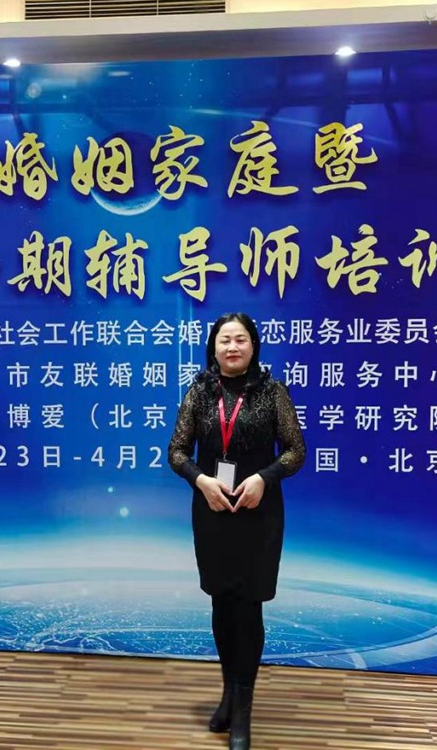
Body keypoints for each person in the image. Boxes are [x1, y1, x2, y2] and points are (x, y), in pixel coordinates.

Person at [167, 312, 306, 750]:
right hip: (213, 510)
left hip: (258, 512)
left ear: (253, 346)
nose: (232, 347)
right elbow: (176, 451)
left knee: (248, 606)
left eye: (240, 339)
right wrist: (200, 480)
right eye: (225, 339)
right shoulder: (199, 391)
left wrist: (264, 477)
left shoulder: (272, 391)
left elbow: (296, 451)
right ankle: (228, 694)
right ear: (213, 347)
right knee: (222, 602)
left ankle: (243, 709)